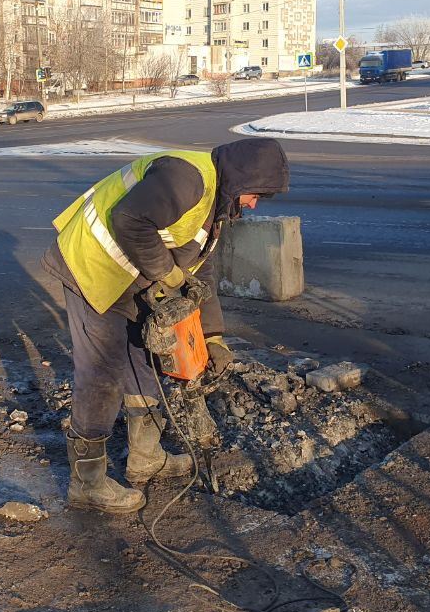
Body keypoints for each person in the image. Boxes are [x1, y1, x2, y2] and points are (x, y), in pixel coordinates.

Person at [41, 138, 290, 513]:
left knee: (147, 360)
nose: (254, 204)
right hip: (92, 268)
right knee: (103, 371)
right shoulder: (185, 178)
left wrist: (213, 336)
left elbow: (199, 273)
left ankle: (146, 456)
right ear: (241, 179)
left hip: (130, 277)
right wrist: (169, 277)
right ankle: (87, 483)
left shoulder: (215, 207)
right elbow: (130, 219)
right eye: (255, 194)